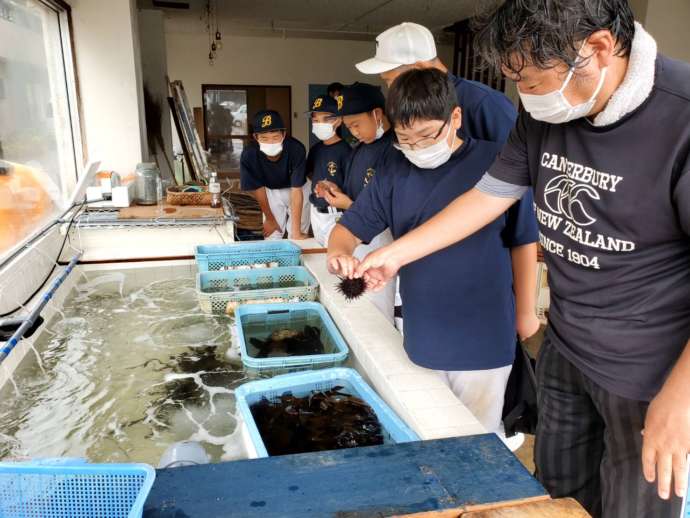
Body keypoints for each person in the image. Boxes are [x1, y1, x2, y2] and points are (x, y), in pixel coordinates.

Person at [354, 2, 690, 517]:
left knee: (635, 504)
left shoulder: (680, 117)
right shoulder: (542, 116)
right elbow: (485, 198)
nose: (524, 97)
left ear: (596, 50)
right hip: (567, 349)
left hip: (650, 372)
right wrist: (394, 256)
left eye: (530, 81)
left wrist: (682, 399)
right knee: (552, 495)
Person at [328, 68, 538, 432]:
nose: (416, 148)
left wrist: (526, 312)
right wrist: (339, 252)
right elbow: (348, 228)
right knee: (428, 431)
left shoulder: (497, 163)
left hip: (484, 333)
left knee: (477, 438)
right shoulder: (394, 168)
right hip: (423, 334)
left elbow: (523, 241)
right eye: (404, 139)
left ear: (455, 118)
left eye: (426, 135)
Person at [356, 22, 517, 145]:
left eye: (391, 80)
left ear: (419, 68)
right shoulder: (410, 107)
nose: (391, 89)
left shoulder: (484, 103)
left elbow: (520, 169)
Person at [322, 82, 396, 323]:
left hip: (383, 238)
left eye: (356, 124)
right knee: (361, 309)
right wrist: (335, 191)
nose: (353, 131)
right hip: (354, 232)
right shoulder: (359, 149)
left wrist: (348, 206)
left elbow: (390, 207)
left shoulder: (395, 149)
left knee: (379, 307)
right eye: (348, 126)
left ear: (376, 114)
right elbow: (356, 190)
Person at [240, 110, 310, 240]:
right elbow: (259, 189)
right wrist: (270, 219)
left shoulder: (296, 149)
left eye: (275, 137)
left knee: (296, 235)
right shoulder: (249, 155)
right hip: (270, 191)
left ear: (283, 134)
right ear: (256, 137)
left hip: (298, 190)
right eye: (264, 138)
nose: (270, 142)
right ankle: (272, 260)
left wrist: (296, 232)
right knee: (272, 234)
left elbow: (296, 190)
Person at [306, 95, 351, 246]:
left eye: (325, 119)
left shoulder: (346, 151)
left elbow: (351, 184)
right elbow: (311, 173)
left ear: (338, 120)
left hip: (335, 213)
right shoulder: (315, 149)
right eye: (315, 120)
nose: (319, 124)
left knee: (334, 254)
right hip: (315, 210)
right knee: (319, 252)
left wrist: (332, 188)